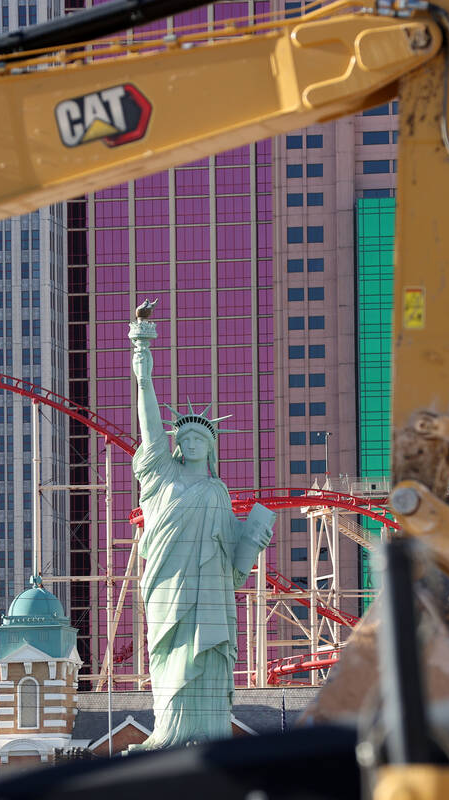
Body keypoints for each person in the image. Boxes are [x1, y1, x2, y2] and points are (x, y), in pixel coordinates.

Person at [128, 312, 275, 749]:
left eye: (200, 439)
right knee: (169, 661)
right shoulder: (159, 476)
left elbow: (233, 567)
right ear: (176, 445)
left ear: (210, 448)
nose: (191, 442)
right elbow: (149, 421)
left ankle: (209, 735)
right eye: (185, 437)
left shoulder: (217, 491)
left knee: (210, 660)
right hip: (168, 588)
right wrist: (143, 360)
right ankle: (167, 734)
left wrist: (253, 540)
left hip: (211, 591)